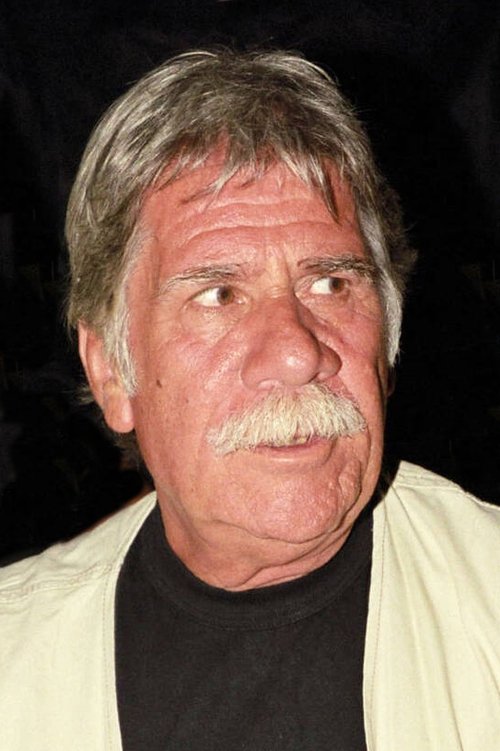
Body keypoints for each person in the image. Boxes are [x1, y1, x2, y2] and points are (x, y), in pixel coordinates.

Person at [1, 49, 499, 751]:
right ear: (111, 370)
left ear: (388, 343)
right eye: (219, 294)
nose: (297, 352)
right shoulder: (15, 661)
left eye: (330, 283)